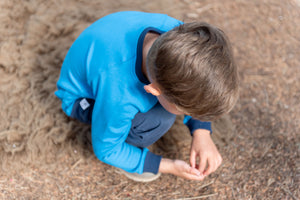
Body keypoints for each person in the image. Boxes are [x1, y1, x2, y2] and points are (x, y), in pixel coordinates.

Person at [55, 11, 238, 182]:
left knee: (191, 89)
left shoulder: (185, 37)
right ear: (153, 90)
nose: (189, 113)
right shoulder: (119, 95)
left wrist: (202, 132)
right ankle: (131, 151)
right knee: (160, 119)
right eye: (186, 110)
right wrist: (168, 166)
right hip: (79, 96)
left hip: (107, 48)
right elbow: (106, 149)